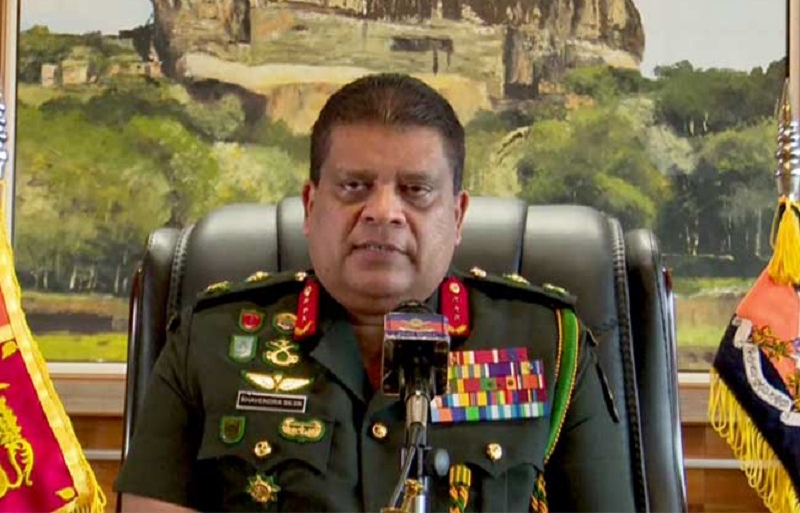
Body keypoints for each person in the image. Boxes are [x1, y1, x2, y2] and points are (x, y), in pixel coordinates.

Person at [115, 73, 635, 512]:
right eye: (354, 186)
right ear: (310, 207)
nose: (383, 212)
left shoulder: (551, 345)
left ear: (456, 217)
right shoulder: (208, 341)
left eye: (415, 190)